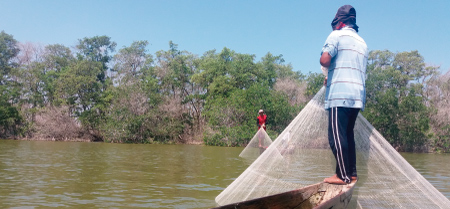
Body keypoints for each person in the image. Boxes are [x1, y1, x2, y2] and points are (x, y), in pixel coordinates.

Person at [320, 5, 368, 185]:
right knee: (347, 134)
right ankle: (352, 173)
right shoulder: (362, 42)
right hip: (357, 96)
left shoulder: (336, 35)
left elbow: (325, 59)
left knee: (335, 137)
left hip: (339, 95)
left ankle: (342, 176)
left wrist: (324, 61)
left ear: (339, 22)